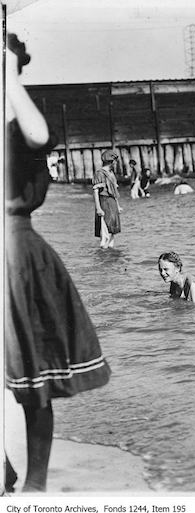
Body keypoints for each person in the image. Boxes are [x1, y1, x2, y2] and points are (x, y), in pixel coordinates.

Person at [4, 33, 111, 493]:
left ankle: (34, 486)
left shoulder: (17, 129)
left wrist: (8, 74)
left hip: (15, 254)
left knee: (32, 377)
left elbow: (39, 135)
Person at [92, 149, 122, 249]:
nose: (116, 163)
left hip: (112, 202)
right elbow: (96, 191)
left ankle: (111, 256)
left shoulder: (111, 173)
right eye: (115, 160)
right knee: (106, 232)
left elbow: (114, 191)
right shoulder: (100, 173)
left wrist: (118, 205)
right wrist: (98, 208)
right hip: (104, 202)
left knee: (113, 231)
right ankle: (104, 255)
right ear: (111, 161)